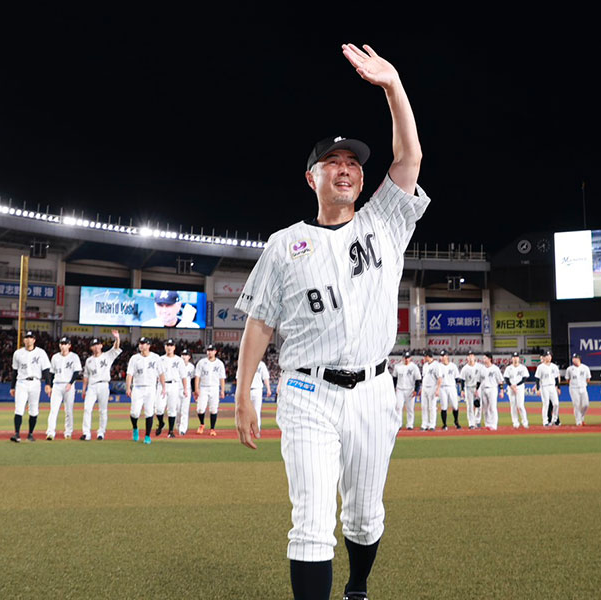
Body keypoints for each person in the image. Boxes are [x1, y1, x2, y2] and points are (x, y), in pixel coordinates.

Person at [233, 43, 427, 600]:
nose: (345, 168)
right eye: (332, 162)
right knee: (312, 522)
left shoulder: (384, 223)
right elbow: (259, 324)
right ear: (311, 177)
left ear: (361, 180)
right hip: (306, 391)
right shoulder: (282, 245)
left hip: (373, 389)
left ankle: (358, 587)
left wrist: (394, 88)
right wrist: (243, 393)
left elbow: (409, 159)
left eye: (353, 163)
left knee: (364, 518)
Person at [9, 329, 52, 443]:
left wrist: (48, 384)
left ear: (34, 340)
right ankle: (17, 434)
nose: (28, 340)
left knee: (33, 409)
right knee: (19, 408)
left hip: (35, 382)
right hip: (21, 382)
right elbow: (14, 371)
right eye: (26, 338)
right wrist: (12, 387)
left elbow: (46, 369)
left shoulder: (41, 353)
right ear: (24, 340)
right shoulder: (18, 353)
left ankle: (30, 434)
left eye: (30, 338)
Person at [81, 331, 122, 440]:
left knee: (103, 410)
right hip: (92, 386)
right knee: (87, 408)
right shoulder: (88, 360)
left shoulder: (107, 356)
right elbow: (86, 376)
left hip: (103, 385)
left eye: (97, 344)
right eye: (93, 345)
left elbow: (116, 348)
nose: (96, 347)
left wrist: (117, 338)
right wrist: (84, 389)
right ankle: (86, 433)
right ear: (91, 348)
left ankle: (101, 432)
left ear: (101, 345)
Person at [125, 336, 165, 444]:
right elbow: (129, 374)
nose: (141, 345)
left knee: (149, 412)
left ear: (148, 345)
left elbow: (161, 373)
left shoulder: (156, 358)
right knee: (134, 412)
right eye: (140, 343)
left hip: (151, 388)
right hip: (137, 387)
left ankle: (147, 436)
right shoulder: (134, 358)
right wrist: (128, 387)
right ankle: (135, 428)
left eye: (144, 343)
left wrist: (163, 387)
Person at [46, 337, 82, 440]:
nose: (63, 345)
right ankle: (50, 432)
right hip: (57, 385)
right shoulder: (55, 357)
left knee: (69, 410)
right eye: (61, 343)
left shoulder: (74, 357)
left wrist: (71, 383)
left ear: (69, 345)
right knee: (53, 410)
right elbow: (51, 373)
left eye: (65, 343)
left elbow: (76, 371)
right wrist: (50, 386)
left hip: (68, 385)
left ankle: (68, 432)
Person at [156, 339, 189, 437]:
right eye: (167, 345)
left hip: (174, 384)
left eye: (171, 345)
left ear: (174, 347)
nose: (169, 347)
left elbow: (183, 376)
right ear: (165, 347)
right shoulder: (160, 359)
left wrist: (185, 389)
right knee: (159, 408)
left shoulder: (179, 360)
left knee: (172, 409)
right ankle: (161, 423)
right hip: (161, 385)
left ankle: (170, 431)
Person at [195, 345, 226, 436]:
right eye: (208, 350)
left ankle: (212, 429)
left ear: (215, 352)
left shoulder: (219, 363)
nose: (209, 352)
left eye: (211, 350)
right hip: (203, 387)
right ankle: (202, 424)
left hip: (215, 388)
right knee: (200, 409)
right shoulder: (201, 362)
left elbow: (222, 378)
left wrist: (222, 390)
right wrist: (196, 388)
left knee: (213, 409)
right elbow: (197, 376)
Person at [392, 351, 422, 430]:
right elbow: (394, 378)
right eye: (405, 357)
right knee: (398, 407)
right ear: (402, 358)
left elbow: (418, 379)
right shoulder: (397, 366)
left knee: (410, 408)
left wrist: (416, 390)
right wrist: (394, 388)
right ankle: (398, 424)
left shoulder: (414, 367)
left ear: (410, 358)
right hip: (400, 389)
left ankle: (410, 424)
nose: (406, 359)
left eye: (408, 358)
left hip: (410, 390)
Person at [476, 353, 504, 431]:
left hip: (492, 389)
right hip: (483, 389)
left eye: (485, 358)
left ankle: (494, 425)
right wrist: (476, 390)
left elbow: (500, 381)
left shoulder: (495, 369)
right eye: (483, 358)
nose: (483, 360)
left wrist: (501, 390)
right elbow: (478, 381)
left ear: (489, 359)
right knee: (485, 408)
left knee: (492, 407)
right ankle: (487, 424)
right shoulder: (481, 369)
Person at [503, 352, 530, 429]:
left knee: (520, 405)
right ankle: (515, 422)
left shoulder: (523, 367)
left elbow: (524, 378)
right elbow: (506, 378)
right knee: (513, 406)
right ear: (512, 359)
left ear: (519, 358)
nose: (515, 358)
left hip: (520, 387)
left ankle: (525, 422)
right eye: (514, 357)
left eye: (516, 357)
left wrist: (516, 385)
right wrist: (511, 386)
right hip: (511, 388)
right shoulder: (508, 368)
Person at [535, 350, 561, 427]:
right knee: (546, 404)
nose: (548, 357)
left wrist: (558, 387)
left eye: (550, 356)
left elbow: (556, 378)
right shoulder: (540, 367)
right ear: (544, 357)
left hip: (552, 386)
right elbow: (537, 379)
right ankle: (545, 421)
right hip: (544, 387)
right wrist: (538, 389)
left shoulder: (554, 366)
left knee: (556, 404)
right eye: (547, 356)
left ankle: (555, 419)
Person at [437, 350, 461, 430]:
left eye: (443, 356)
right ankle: (444, 424)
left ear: (447, 356)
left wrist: (460, 389)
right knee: (444, 406)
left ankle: (456, 421)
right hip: (442, 387)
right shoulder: (439, 366)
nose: (442, 357)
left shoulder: (453, 366)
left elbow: (457, 377)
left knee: (455, 405)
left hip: (451, 387)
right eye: (441, 356)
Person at [565, 353, 591, 426]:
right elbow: (567, 379)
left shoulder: (585, 368)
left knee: (586, 404)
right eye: (573, 358)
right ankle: (578, 421)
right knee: (576, 404)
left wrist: (583, 383)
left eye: (575, 358)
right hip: (573, 388)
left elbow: (588, 379)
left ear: (579, 359)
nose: (574, 359)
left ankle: (581, 417)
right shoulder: (569, 369)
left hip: (583, 387)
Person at [249, 359, 272, 433]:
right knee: (248, 411)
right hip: (247, 390)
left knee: (257, 410)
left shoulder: (261, 364)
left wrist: (268, 388)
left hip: (257, 389)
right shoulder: (245, 362)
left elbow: (265, 377)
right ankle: (248, 428)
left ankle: (256, 428)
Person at [177, 348, 196, 435]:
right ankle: (177, 425)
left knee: (184, 410)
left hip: (186, 390)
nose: (184, 356)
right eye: (182, 355)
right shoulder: (176, 365)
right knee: (177, 410)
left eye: (186, 355)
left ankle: (183, 428)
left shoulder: (191, 367)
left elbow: (192, 380)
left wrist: (194, 391)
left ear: (189, 357)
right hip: (177, 389)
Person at [460, 352, 481, 429]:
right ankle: (471, 423)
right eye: (469, 356)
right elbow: (462, 380)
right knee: (470, 406)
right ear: (467, 358)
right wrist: (462, 390)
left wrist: (477, 389)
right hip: (468, 388)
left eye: (472, 355)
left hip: (478, 387)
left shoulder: (479, 367)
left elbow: (482, 378)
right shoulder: (465, 368)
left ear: (474, 357)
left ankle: (477, 421)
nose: (471, 357)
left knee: (479, 405)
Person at [420, 350, 440, 431]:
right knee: (424, 407)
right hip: (425, 387)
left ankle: (432, 424)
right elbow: (424, 377)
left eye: (425, 356)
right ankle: (424, 424)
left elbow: (439, 378)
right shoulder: (425, 365)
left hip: (432, 387)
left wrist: (438, 389)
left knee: (432, 407)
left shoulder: (436, 365)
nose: (424, 358)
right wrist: (422, 388)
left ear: (428, 356)